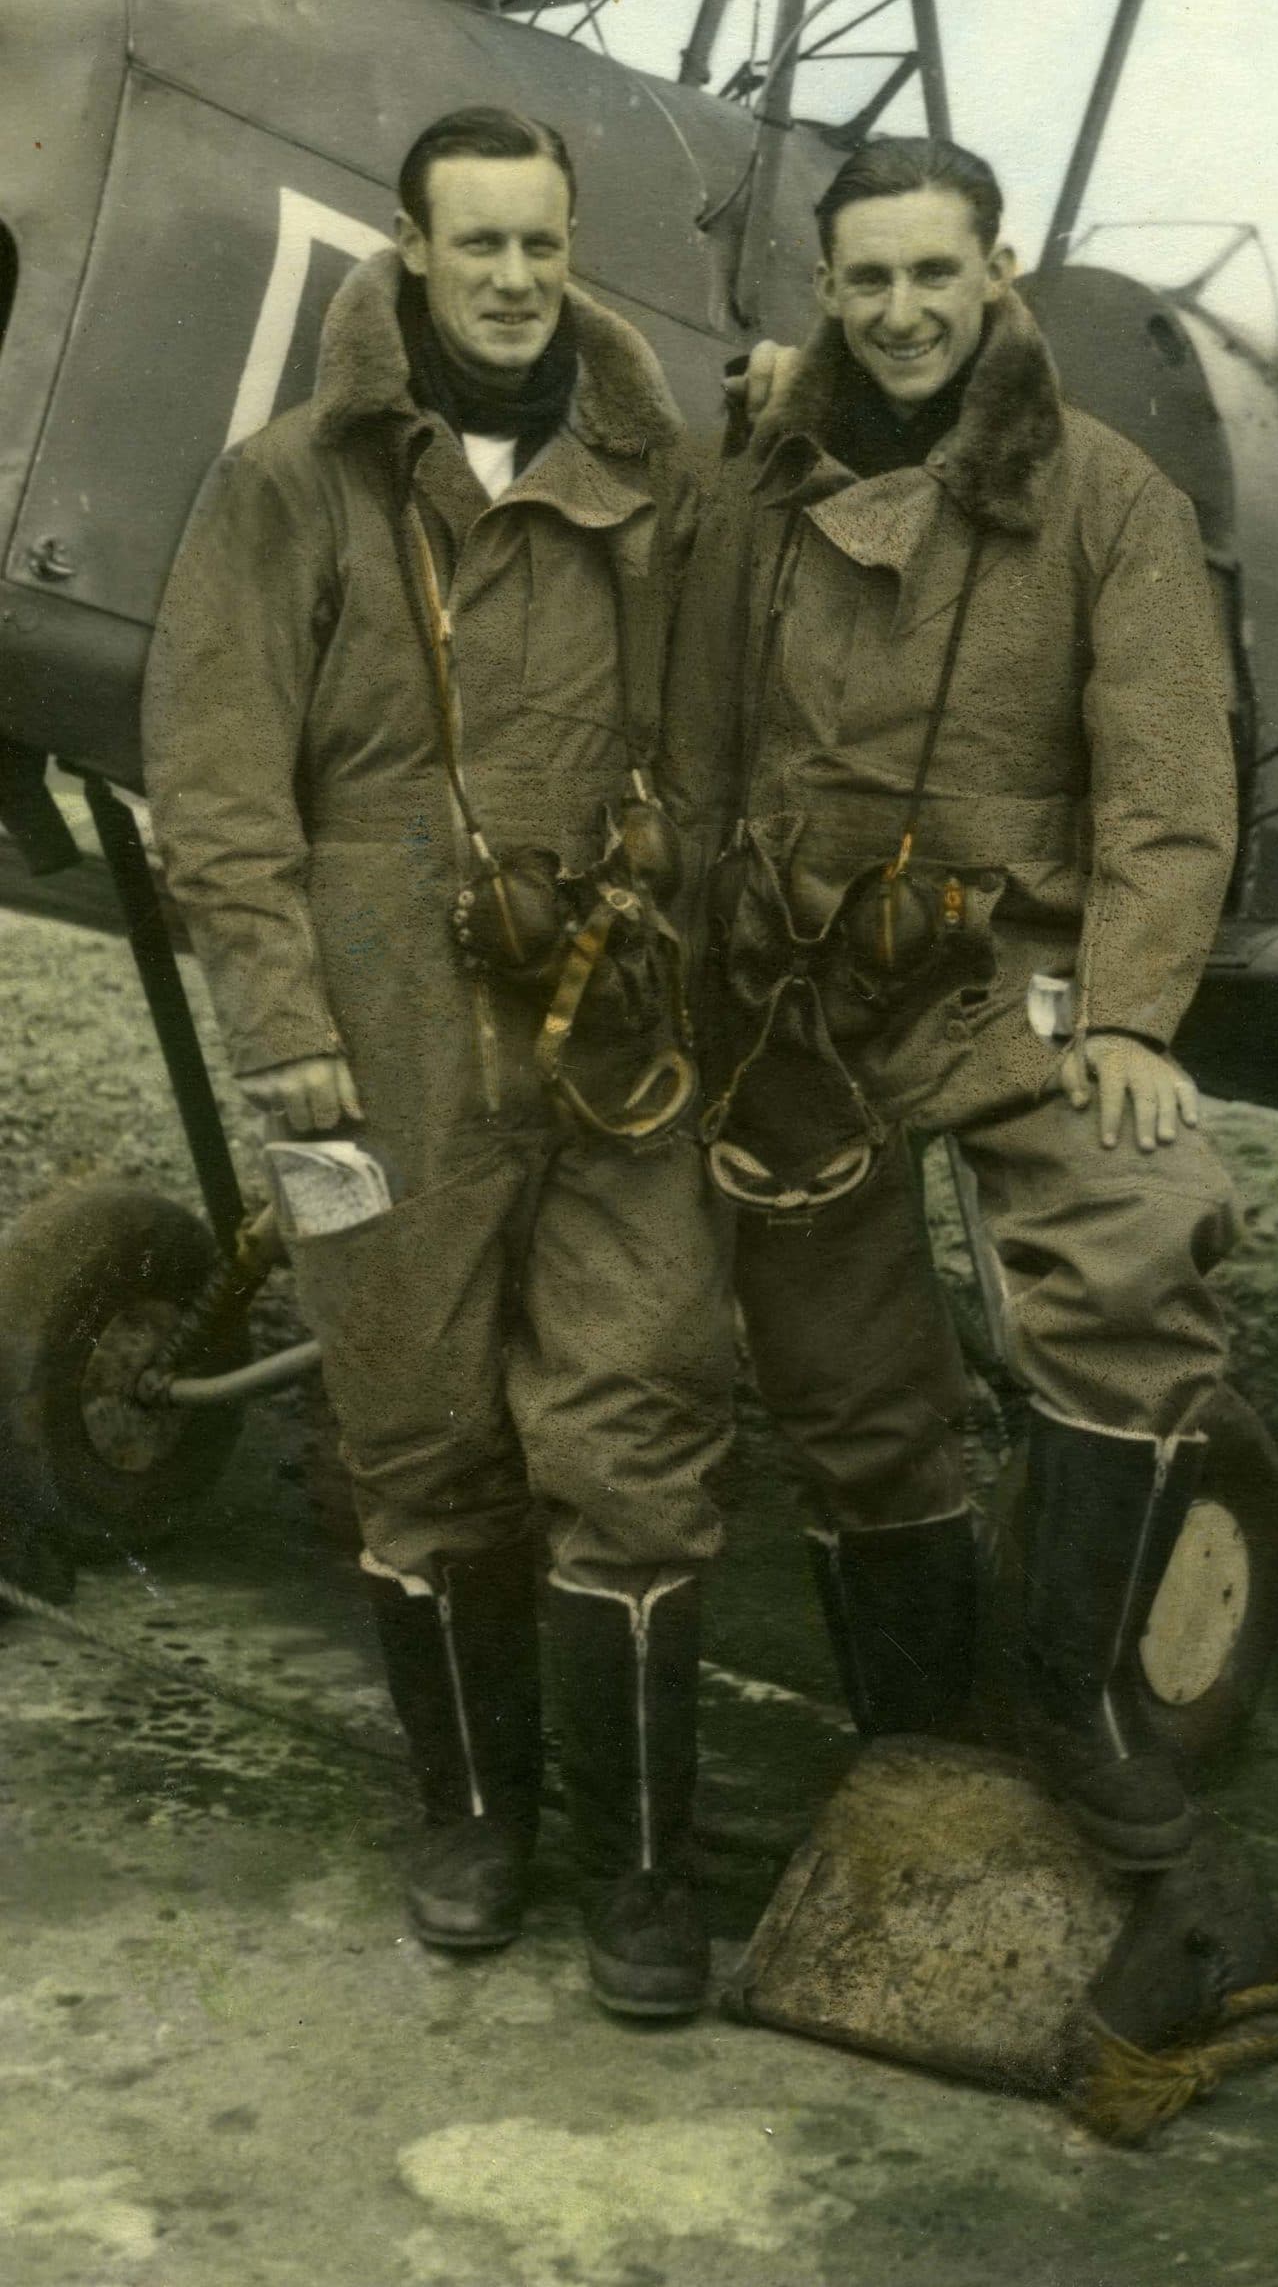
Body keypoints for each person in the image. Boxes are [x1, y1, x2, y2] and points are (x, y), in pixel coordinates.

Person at [144, 106, 733, 2018]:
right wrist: (286, 1031)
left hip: (609, 1010)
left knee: (633, 1417)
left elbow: (734, 721)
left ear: (574, 254)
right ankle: (474, 1815)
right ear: (406, 252)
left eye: (540, 246)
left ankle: (649, 1872)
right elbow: (219, 788)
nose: (508, 279)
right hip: (374, 1019)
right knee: (410, 1430)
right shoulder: (287, 488)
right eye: (473, 244)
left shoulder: (662, 482)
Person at [668, 135, 1249, 1871]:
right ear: (824, 291)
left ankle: (1074, 1706)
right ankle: (918, 1746)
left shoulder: (1106, 498)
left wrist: (1134, 1016)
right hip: (791, 989)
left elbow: (1166, 784)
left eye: (937, 274)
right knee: (839, 1380)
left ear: (1000, 272)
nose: (903, 312)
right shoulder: (755, 484)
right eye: (867, 280)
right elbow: (695, 742)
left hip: (1015, 978)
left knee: (1139, 1237)